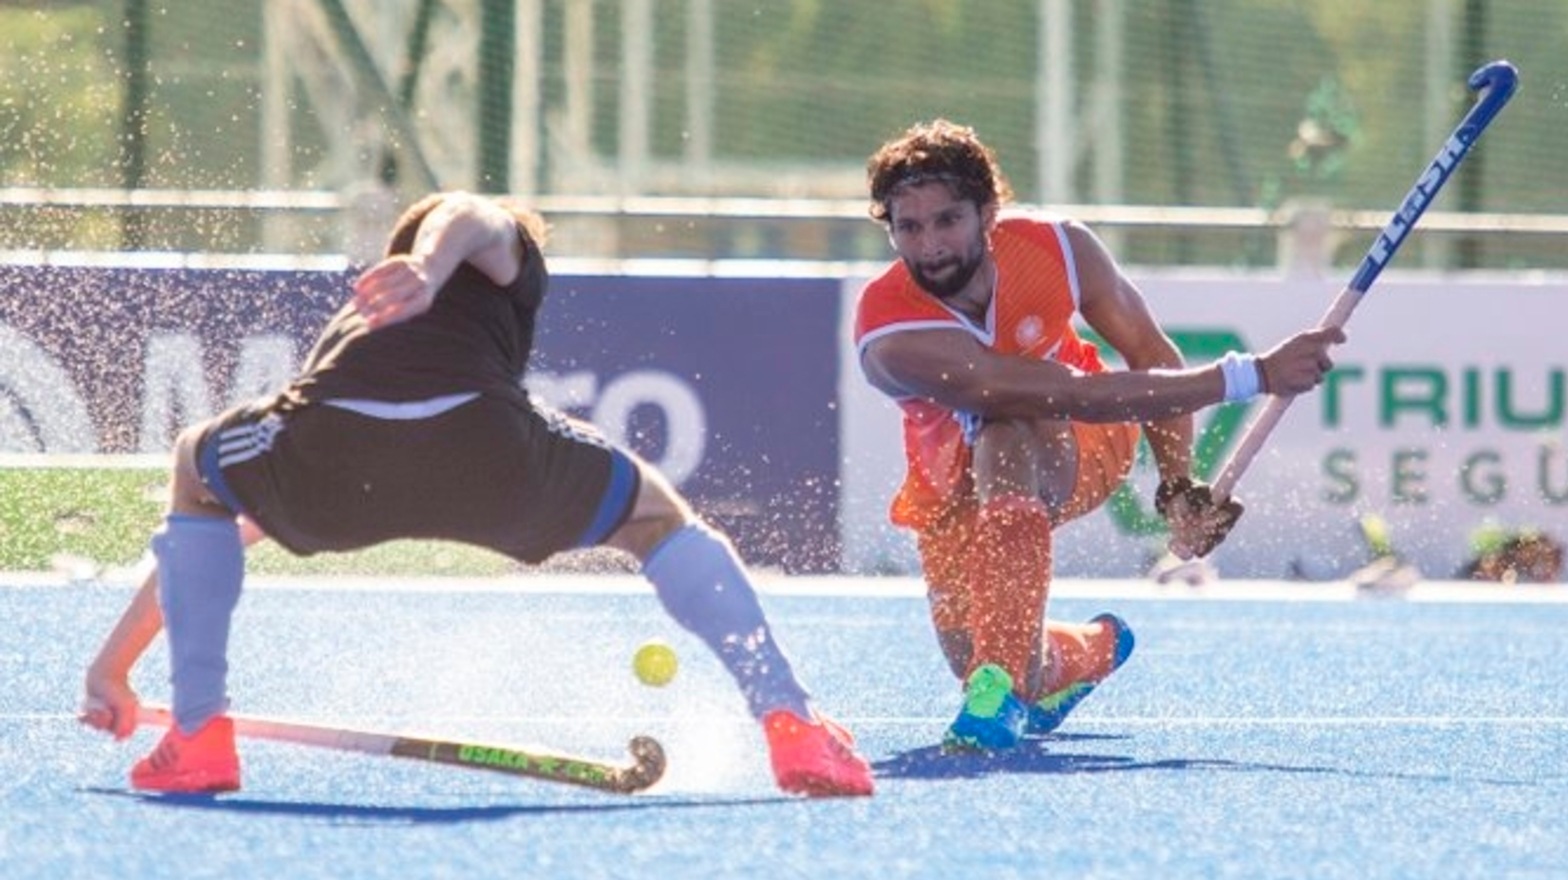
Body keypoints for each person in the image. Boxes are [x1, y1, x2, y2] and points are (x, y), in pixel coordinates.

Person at [80, 191, 874, 798]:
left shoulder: (361, 317)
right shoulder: (491, 259)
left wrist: (112, 668)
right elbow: (471, 211)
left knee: (200, 468)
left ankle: (198, 731)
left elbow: (215, 537)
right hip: (486, 453)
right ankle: (792, 723)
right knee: (655, 517)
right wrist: (433, 264)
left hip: (340, 457)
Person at [853, 120, 1344, 752]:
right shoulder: (889, 331)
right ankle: (1085, 652)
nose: (930, 246)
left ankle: (998, 689)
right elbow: (1061, 390)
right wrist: (1251, 376)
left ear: (988, 213)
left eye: (947, 220)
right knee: (978, 656)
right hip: (952, 489)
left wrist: (1177, 487)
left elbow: (1147, 351)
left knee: (1008, 437)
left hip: (1080, 445)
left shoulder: (1060, 249)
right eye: (908, 228)